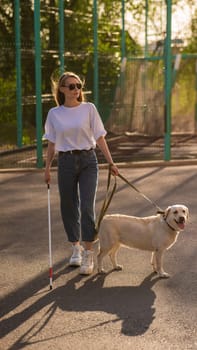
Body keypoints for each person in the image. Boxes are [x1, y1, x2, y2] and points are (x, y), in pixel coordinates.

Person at [44, 71, 119, 275]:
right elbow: (51, 143)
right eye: (71, 86)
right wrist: (48, 167)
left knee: (87, 206)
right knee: (68, 206)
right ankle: (75, 248)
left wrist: (111, 162)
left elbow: (100, 137)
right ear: (61, 89)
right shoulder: (54, 114)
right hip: (65, 161)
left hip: (88, 160)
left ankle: (88, 252)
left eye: (78, 86)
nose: (76, 90)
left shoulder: (89, 109)